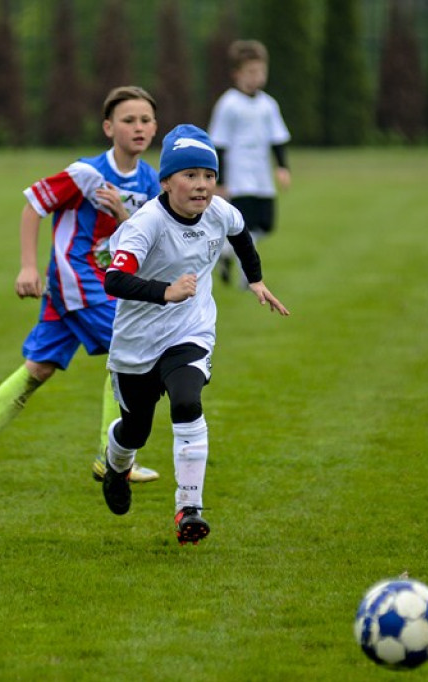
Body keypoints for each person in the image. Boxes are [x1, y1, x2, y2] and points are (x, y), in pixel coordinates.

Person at [0, 86, 163, 488]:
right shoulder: (86, 173)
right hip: (75, 277)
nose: (138, 127)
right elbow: (33, 207)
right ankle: (112, 459)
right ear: (108, 127)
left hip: (100, 282)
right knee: (128, 351)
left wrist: (120, 212)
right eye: (128, 120)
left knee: (40, 367)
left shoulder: (149, 180)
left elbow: (140, 238)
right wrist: (28, 266)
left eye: (145, 120)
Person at [100, 124, 290, 545]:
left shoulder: (221, 211)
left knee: (187, 400)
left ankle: (189, 507)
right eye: (190, 176)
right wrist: (165, 292)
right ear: (166, 182)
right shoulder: (145, 224)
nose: (202, 185)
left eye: (208, 175)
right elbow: (114, 280)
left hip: (190, 330)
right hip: (137, 343)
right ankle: (116, 466)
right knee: (135, 431)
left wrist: (255, 280)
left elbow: (241, 236)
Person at [208, 39, 291, 287]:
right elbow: (218, 144)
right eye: (251, 72)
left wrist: (282, 167)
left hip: (261, 177)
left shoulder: (268, 104)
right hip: (238, 177)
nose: (257, 77)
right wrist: (220, 181)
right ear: (237, 74)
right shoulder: (228, 104)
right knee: (245, 225)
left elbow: (278, 138)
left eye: (260, 71)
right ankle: (248, 276)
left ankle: (225, 251)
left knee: (265, 225)